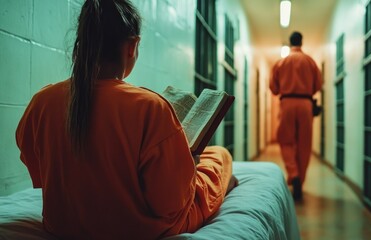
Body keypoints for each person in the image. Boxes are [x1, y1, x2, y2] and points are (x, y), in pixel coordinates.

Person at [15, 0, 237, 239]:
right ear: (132, 46)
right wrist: (190, 164)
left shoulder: (42, 101)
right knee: (219, 156)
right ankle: (226, 182)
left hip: (62, 225)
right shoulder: (151, 107)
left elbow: (37, 168)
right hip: (144, 229)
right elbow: (170, 203)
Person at [269, 31, 322, 200]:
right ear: (302, 42)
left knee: (285, 140)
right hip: (306, 104)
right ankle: (301, 180)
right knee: (304, 143)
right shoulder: (310, 61)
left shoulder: (281, 62)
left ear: (290, 43)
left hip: (287, 103)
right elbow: (318, 85)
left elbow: (274, 88)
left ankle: (293, 174)